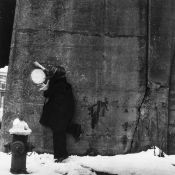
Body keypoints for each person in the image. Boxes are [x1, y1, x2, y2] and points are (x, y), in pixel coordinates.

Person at [35, 64, 82, 162]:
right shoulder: (61, 83)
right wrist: (48, 85)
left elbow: (47, 93)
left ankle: (61, 156)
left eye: (53, 73)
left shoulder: (58, 85)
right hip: (62, 113)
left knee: (58, 134)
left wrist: (47, 86)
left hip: (60, 114)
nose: (51, 74)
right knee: (59, 131)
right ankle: (74, 129)